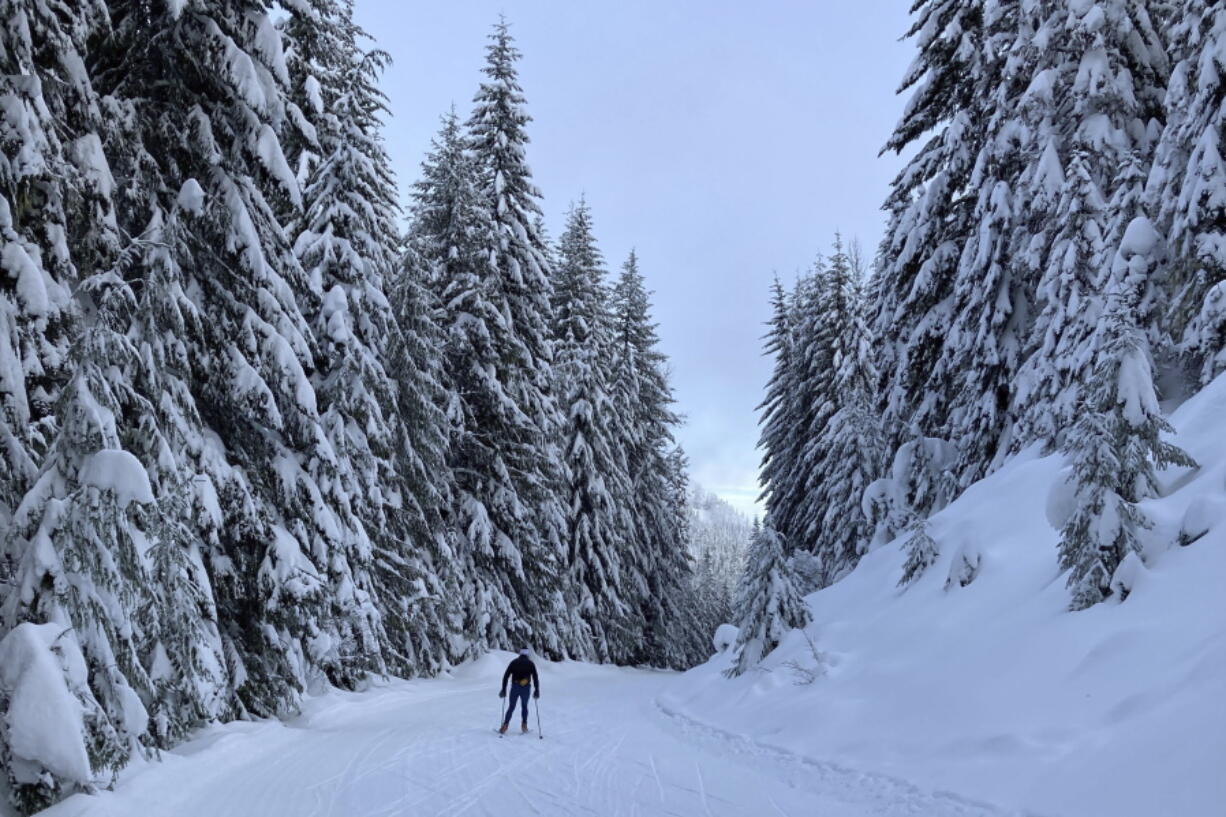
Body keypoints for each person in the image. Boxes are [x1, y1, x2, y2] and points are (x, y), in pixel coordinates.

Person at [498, 648, 540, 734]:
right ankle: (524, 725)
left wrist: (503, 689)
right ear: (527, 654)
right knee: (524, 706)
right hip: (525, 688)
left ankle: (505, 725)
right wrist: (537, 690)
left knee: (511, 706)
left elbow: (506, 676)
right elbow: (535, 677)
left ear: (520, 653)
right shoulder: (530, 663)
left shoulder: (514, 662)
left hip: (515, 687)